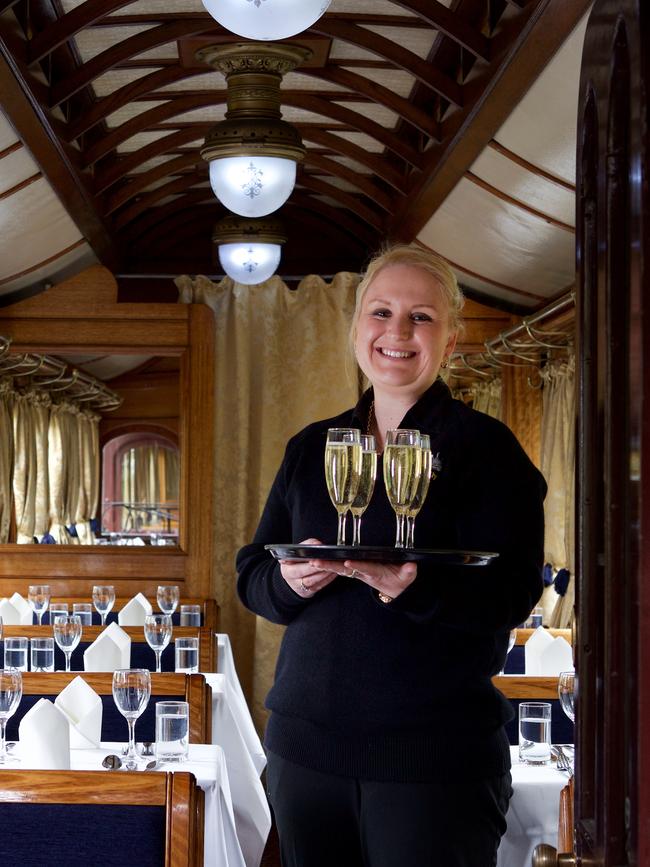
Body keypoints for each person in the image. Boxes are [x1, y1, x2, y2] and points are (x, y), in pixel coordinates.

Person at [236, 243, 547, 867]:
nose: (397, 332)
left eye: (421, 317)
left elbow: (514, 591)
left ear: (451, 341)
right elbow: (253, 574)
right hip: (305, 756)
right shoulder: (312, 447)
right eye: (380, 313)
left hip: (435, 762)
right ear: (356, 331)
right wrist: (291, 582)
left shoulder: (488, 450)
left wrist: (413, 587)